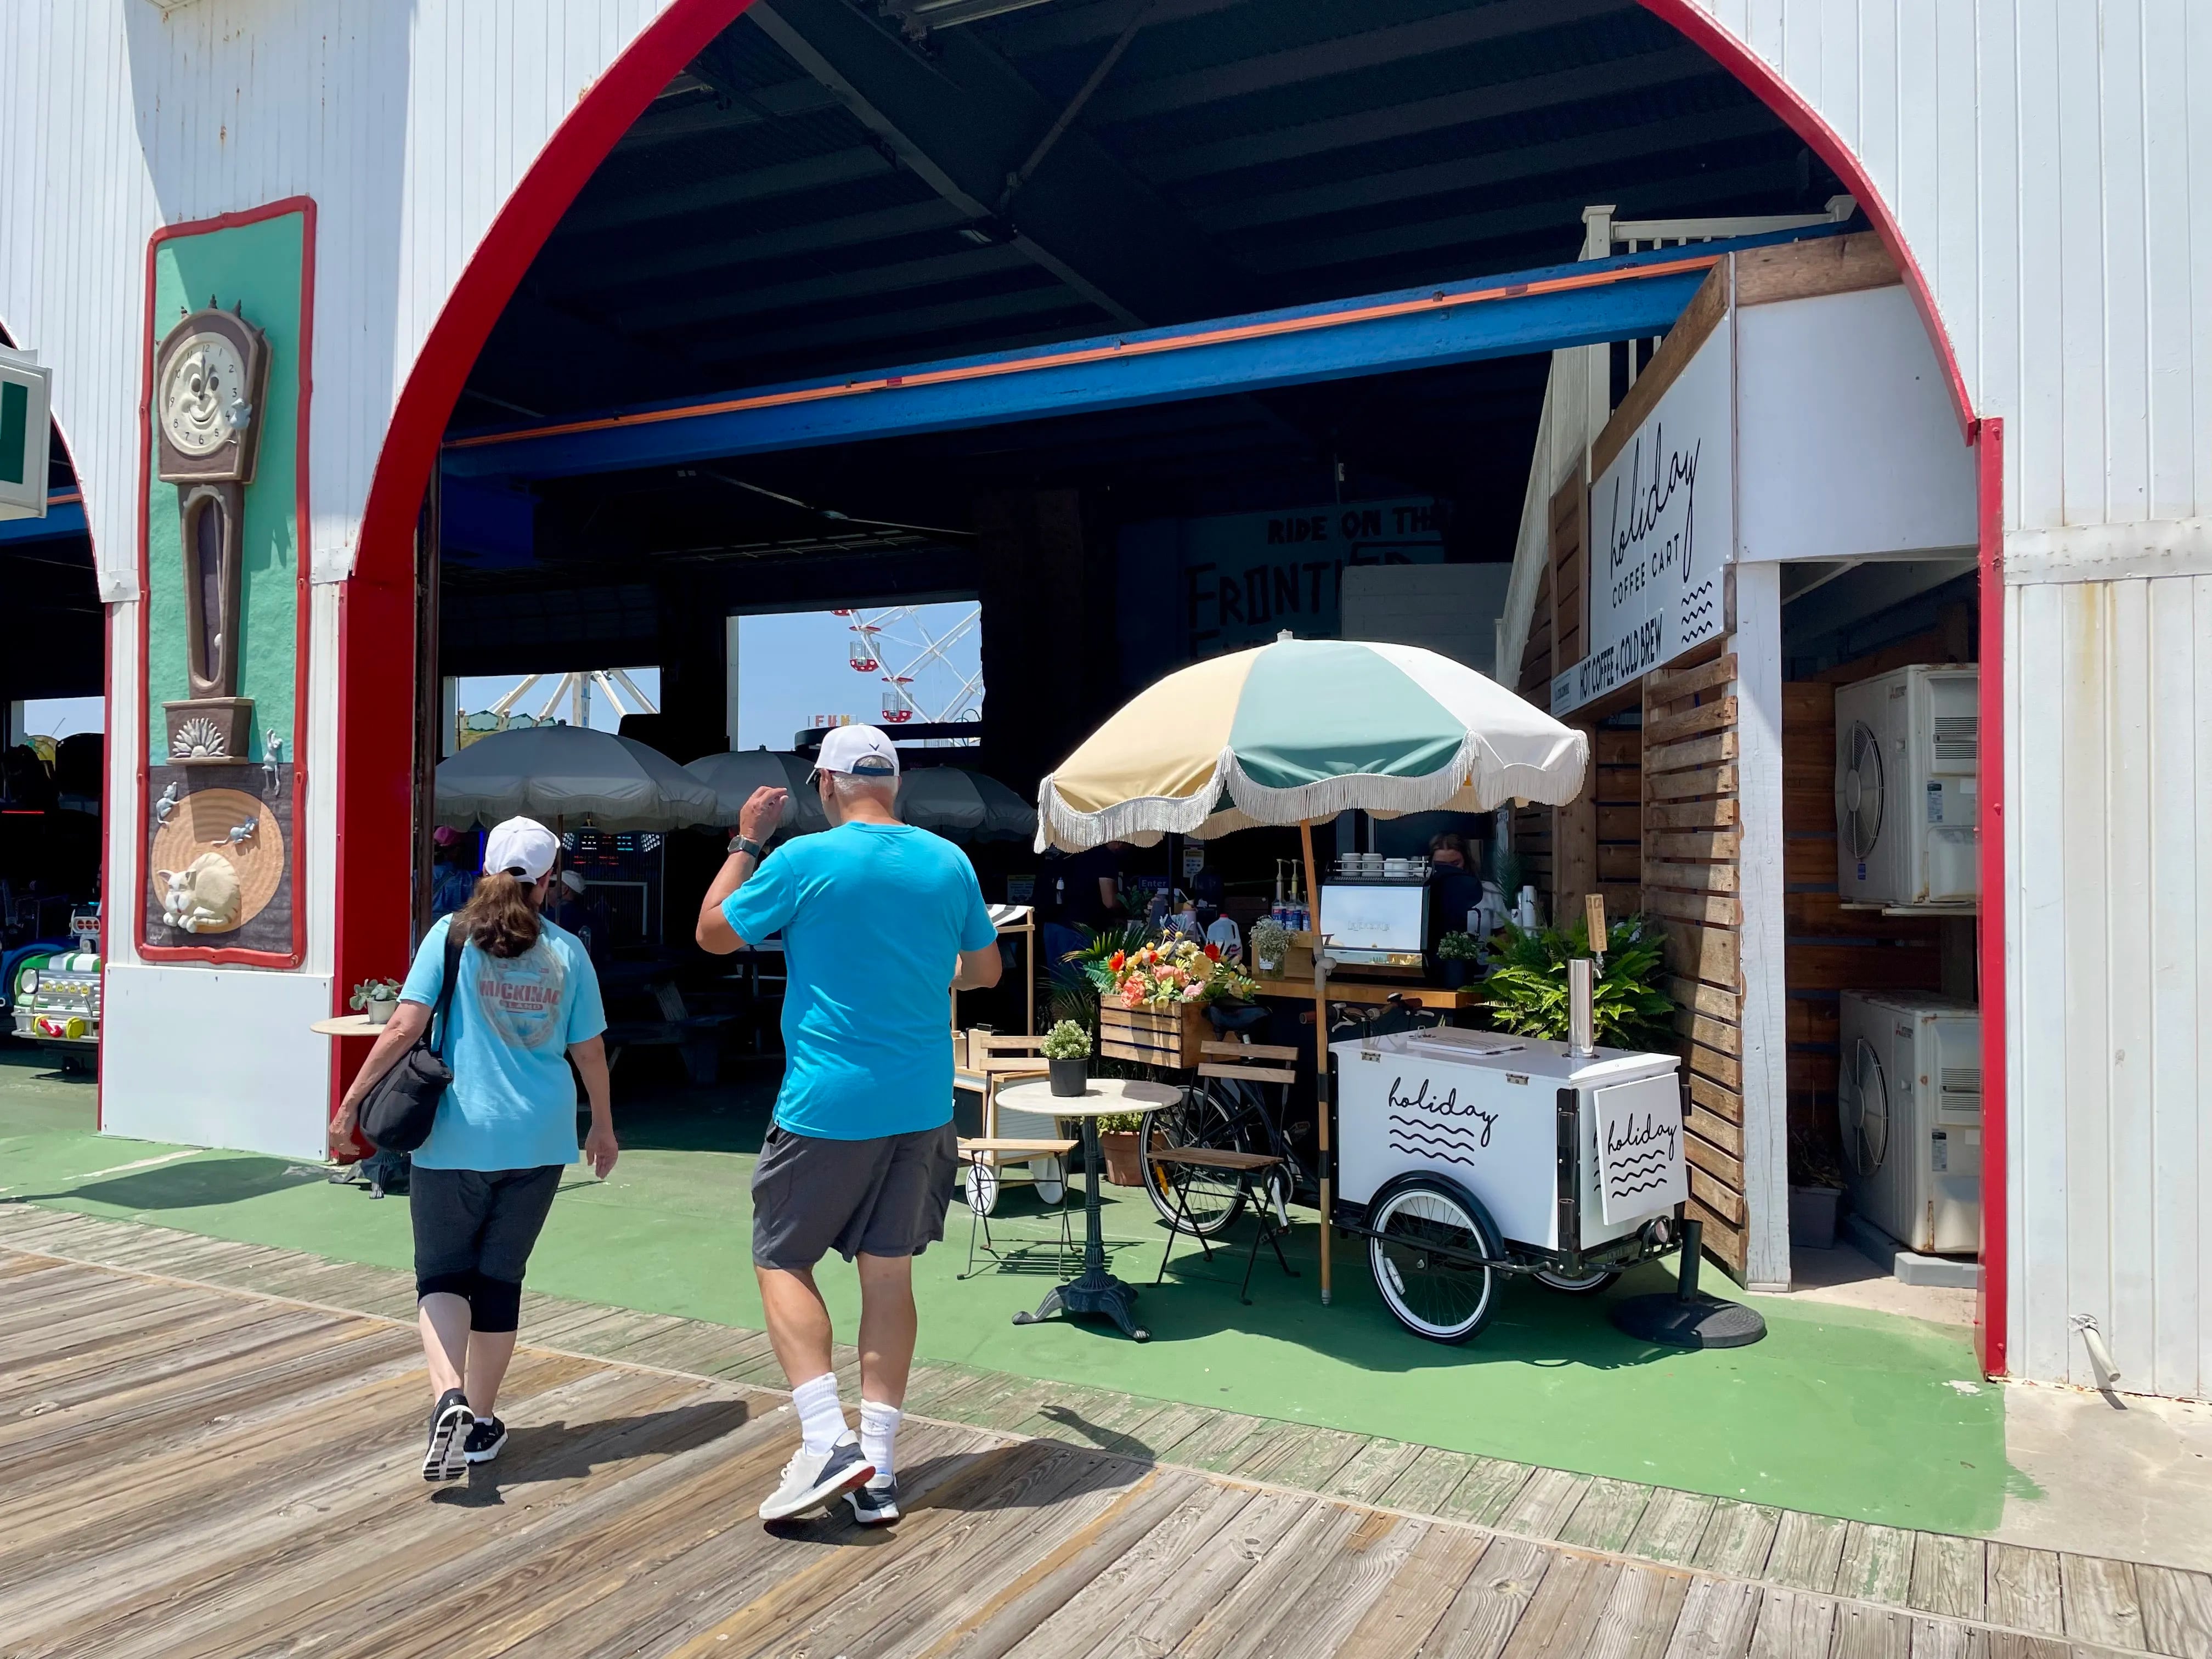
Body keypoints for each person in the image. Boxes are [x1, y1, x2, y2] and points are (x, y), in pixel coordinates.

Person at [695, 724, 1000, 1527]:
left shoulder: (802, 860)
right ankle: (882, 1470)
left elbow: (713, 932)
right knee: (889, 1276)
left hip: (829, 1104)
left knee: (782, 1256)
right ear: (893, 786)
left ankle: (828, 1439)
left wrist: (745, 842)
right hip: (924, 1102)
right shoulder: (949, 862)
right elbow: (987, 969)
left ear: (825, 787)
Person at [331, 816, 618, 1483]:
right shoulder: (567, 951)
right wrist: (602, 1125)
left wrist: (350, 1106)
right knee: (498, 1281)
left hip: (456, 1135)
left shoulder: (451, 935)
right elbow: (590, 1050)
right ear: (548, 881)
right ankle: (482, 1421)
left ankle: (448, 1400)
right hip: (540, 1140)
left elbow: (405, 1025)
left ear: (487, 869)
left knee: (442, 1276)